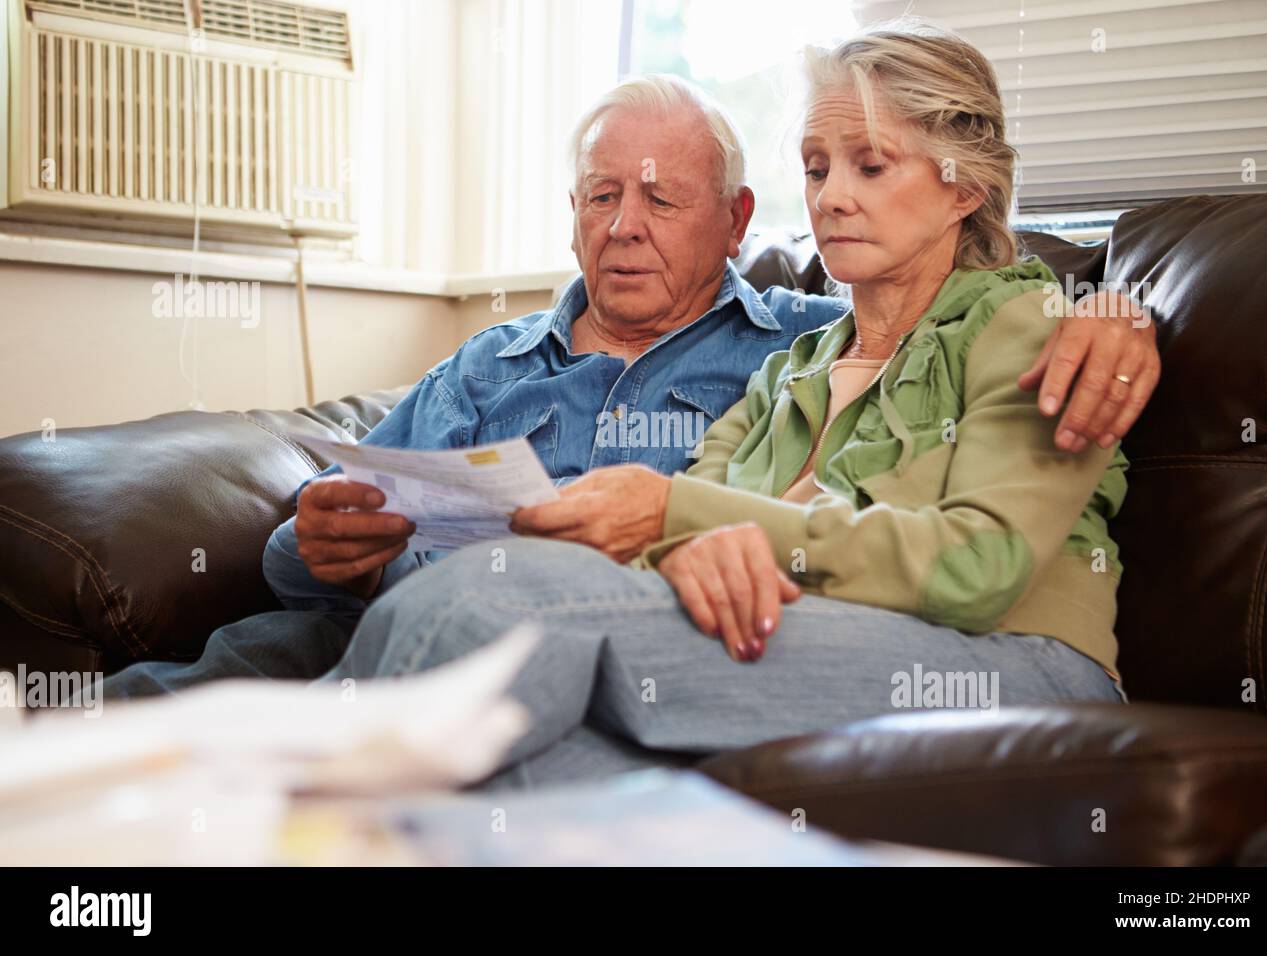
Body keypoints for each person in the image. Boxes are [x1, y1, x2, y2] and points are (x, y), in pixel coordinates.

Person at [99, 64, 1156, 700]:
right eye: (601, 195)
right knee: (150, 703)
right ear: (571, 211)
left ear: (737, 222)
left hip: (543, 639)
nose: (623, 225)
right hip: (359, 621)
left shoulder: (795, 340)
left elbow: (954, 317)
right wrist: (314, 543)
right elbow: (306, 552)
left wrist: (1116, 310)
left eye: (659, 198)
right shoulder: (487, 360)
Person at [321, 21, 1145, 792]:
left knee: (491, 599)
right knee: (528, 773)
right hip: (805, 646)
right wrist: (688, 551)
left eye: (871, 164)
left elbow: (976, 570)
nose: (831, 198)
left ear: (963, 188)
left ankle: (292, 792)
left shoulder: (1035, 329)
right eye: (817, 167)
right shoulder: (794, 367)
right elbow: (694, 528)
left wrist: (679, 513)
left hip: (1007, 665)